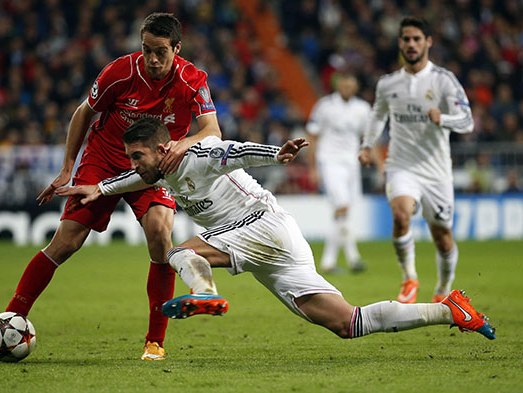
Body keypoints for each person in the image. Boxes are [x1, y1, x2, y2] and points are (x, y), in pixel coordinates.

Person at [57, 117, 495, 346]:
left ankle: (206, 294)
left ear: (161, 148)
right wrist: (100, 188)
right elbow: (137, 180)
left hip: (260, 225)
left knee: (177, 253)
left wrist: (278, 153)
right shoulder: (157, 170)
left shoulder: (199, 153)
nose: (133, 164)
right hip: (274, 240)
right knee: (349, 323)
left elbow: (237, 151)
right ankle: (449, 311)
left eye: (137, 155)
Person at [3, 12, 221, 361]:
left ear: (177, 48)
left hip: (153, 168)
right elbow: (82, 113)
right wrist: (66, 170)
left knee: (160, 236)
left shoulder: (192, 79)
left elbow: (212, 131)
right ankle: (12, 319)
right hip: (104, 159)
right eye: (146, 49)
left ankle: (155, 341)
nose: (152, 59)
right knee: (66, 241)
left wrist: (183, 144)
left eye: (161, 51)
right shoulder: (119, 72)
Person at [358, 16, 474, 304]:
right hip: (401, 165)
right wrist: (366, 145)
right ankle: (409, 276)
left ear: (428, 42)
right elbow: (377, 115)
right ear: (400, 43)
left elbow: (468, 121)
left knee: (443, 238)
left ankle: (444, 288)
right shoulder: (388, 84)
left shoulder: (443, 80)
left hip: (436, 172)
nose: (411, 44)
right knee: (400, 216)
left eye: (416, 39)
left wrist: (443, 118)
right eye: (406, 39)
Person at [306, 73, 372, 273]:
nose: (347, 86)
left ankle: (330, 263)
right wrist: (313, 168)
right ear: (337, 85)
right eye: (344, 83)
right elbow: (312, 136)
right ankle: (352, 258)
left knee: (344, 212)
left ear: (355, 86)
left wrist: (377, 163)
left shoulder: (363, 108)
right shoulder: (325, 106)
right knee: (342, 207)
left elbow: (369, 137)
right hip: (329, 161)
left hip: (351, 163)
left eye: (351, 83)